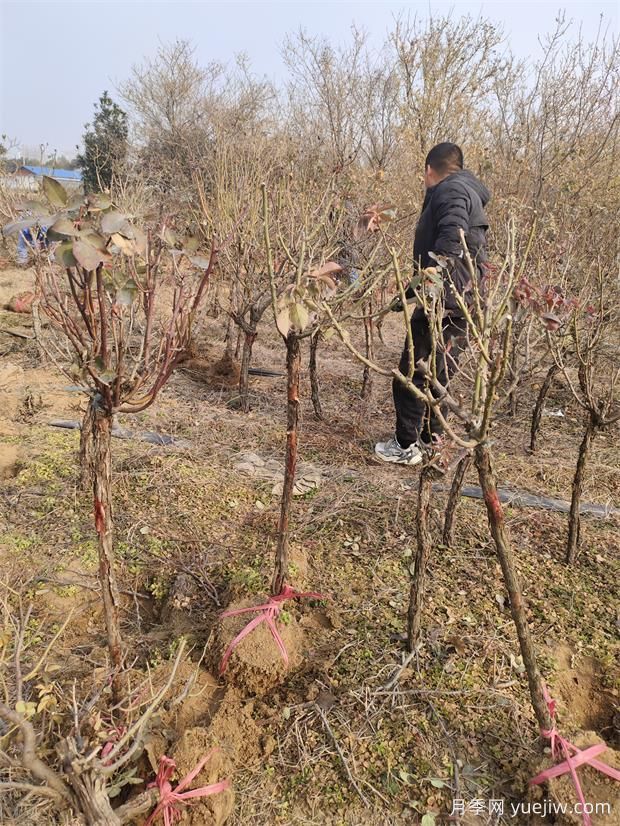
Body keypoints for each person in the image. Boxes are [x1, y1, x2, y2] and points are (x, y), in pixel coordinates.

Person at [375, 142, 490, 465]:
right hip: (464, 301)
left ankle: (405, 444)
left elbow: (452, 240)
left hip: (445, 300)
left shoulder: (450, 191)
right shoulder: (468, 191)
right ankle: (431, 441)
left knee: (413, 372)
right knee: (439, 374)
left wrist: (429, 285)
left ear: (429, 170)